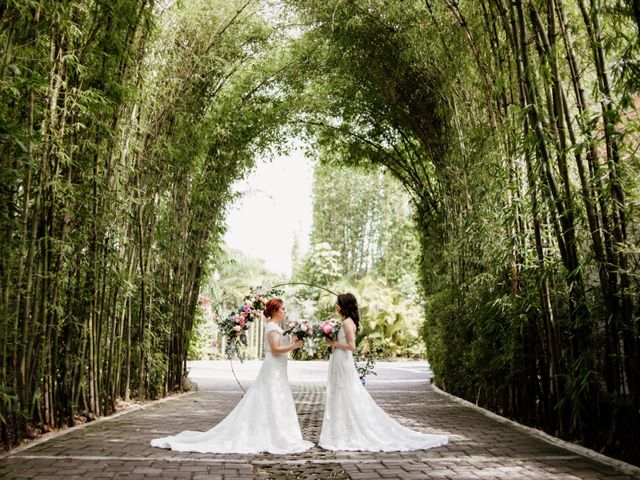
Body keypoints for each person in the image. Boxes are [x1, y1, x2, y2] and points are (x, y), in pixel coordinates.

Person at [150, 298, 313, 454]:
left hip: (279, 368)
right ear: (275, 311)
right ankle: (273, 436)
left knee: (277, 398)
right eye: (282, 309)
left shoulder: (276, 327)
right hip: (273, 367)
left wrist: (294, 338)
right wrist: (294, 345)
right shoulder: (271, 327)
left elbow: (280, 346)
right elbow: (276, 349)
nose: (285, 311)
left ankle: (278, 432)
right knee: (271, 397)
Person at [319, 293, 448, 451]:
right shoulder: (345, 321)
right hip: (338, 360)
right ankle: (339, 432)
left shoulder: (347, 323)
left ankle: (344, 433)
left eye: (338, 304)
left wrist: (333, 342)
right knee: (340, 394)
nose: (336, 306)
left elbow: (352, 347)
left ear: (345, 305)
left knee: (344, 393)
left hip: (343, 361)